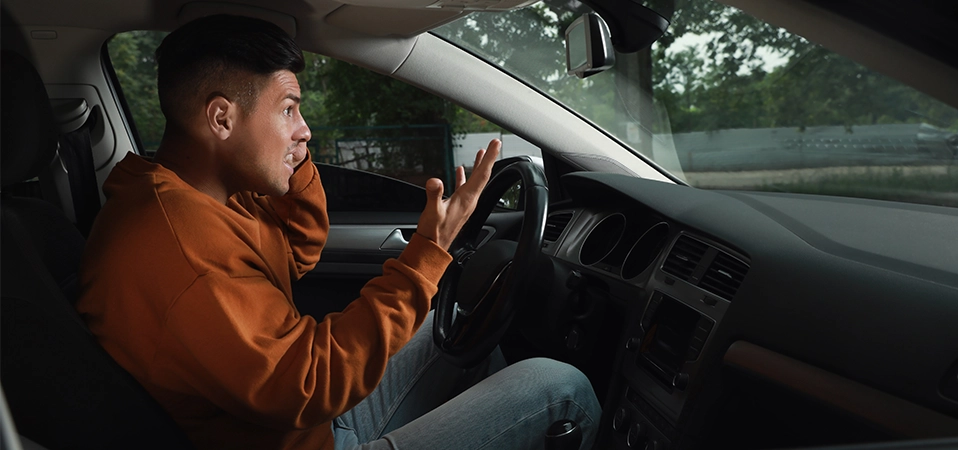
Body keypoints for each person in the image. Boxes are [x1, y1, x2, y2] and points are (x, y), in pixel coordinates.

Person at [76, 13, 600, 450]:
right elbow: (308, 385)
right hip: (306, 433)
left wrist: (292, 154)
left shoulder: (200, 193)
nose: (305, 127)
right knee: (562, 388)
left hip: (305, 425)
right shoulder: (179, 249)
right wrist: (429, 252)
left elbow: (298, 251)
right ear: (220, 118)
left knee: (462, 328)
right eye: (288, 109)